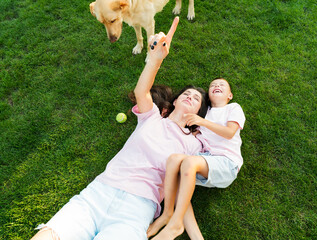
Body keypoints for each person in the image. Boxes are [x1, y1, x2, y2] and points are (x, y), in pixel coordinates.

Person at [30, 17, 207, 240]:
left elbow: (186, 181)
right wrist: (154, 60)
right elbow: (142, 92)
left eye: (197, 98)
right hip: (99, 192)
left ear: (199, 113)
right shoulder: (152, 117)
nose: (190, 97)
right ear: (174, 102)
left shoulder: (195, 142)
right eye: (187, 94)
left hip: (136, 209)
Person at [147, 78, 246, 240]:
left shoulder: (232, 108)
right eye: (213, 85)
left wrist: (202, 122)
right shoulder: (203, 116)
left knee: (188, 162)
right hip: (206, 161)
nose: (217, 86)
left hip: (227, 163)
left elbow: (229, 133)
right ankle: (179, 224)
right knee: (173, 164)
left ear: (230, 95)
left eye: (222, 85)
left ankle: (174, 222)